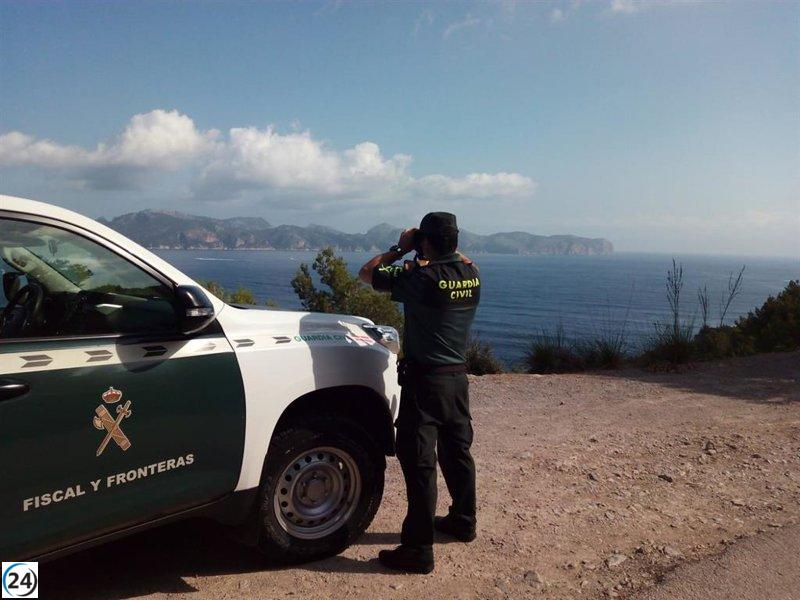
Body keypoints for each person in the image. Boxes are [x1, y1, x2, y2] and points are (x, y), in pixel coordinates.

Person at [358, 212, 480, 574]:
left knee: (421, 464)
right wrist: (433, 247)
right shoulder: (472, 274)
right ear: (455, 240)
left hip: (425, 383)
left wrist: (400, 249)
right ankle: (463, 521)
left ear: (424, 242)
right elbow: (459, 258)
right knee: (457, 453)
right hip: (457, 381)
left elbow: (367, 273)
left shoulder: (422, 277)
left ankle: (418, 549)